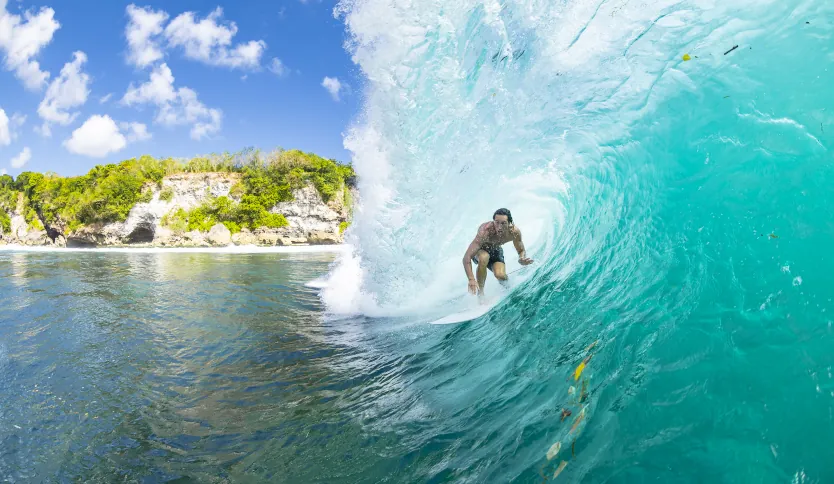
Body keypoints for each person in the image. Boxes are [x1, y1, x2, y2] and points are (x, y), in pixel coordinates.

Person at [462, 208, 533, 298]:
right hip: (480, 251)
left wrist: (521, 258)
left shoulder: (514, 232)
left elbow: (521, 250)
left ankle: (510, 291)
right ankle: (481, 294)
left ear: (509, 222)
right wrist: (471, 279)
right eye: (496, 222)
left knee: (501, 275)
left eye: (503, 223)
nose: (499, 227)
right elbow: (466, 257)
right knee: (484, 257)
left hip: (495, 250)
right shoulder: (485, 231)